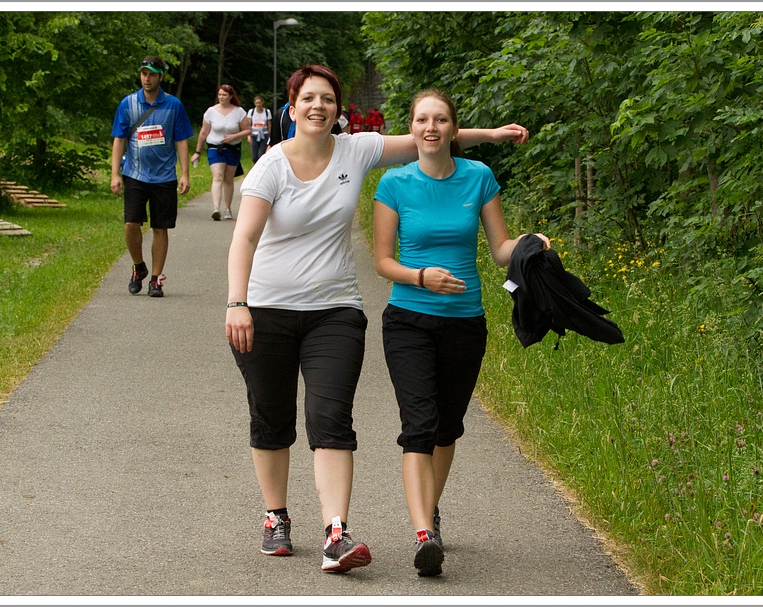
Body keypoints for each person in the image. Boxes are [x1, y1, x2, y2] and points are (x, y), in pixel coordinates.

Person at [224, 65, 530, 574]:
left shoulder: (355, 150)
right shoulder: (270, 168)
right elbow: (246, 238)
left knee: (330, 417)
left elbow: (428, 139)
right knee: (272, 417)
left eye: (327, 99)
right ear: (292, 108)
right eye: (308, 99)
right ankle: (276, 515)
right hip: (268, 309)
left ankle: (336, 532)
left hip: (335, 310)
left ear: (338, 110)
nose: (318, 107)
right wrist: (238, 303)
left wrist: (494, 135)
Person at [372, 88, 550, 577]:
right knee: (418, 426)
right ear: (411, 128)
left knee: (447, 427)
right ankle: (423, 535)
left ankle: (430, 511)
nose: (430, 128)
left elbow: (499, 249)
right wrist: (420, 276)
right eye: (421, 120)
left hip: (465, 323)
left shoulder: (479, 177)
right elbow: (383, 261)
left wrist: (529, 244)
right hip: (408, 320)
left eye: (440, 120)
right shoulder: (394, 182)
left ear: (453, 128)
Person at [111, 55, 193, 298]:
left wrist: (185, 174)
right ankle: (139, 267)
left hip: (164, 177)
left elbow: (181, 141)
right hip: (135, 173)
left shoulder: (174, 105)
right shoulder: (128, 104)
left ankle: (155, 280)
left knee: (160, 227)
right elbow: (119, 139)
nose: (147, 79)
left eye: (152, 74)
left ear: (160, 77)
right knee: (131, 223)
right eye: (143, 74)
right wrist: (114, 174)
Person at [191, 84, 251, 221]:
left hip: (232, 149)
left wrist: (234, 136)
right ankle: (216, 208)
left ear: (230, 96)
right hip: (215, 148)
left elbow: (248, 130)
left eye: (224, 95)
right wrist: (197, 152)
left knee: (228, 179)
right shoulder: (211, 111)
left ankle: (227, 208)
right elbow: (203, 132)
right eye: (219, 95)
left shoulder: (239, 112)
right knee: (217, 176)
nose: (221, 97)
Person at [246, 95, 271, 164]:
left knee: (262, 155)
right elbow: (248, 125)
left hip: (264, 135)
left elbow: (269, 125)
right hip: (254, 135)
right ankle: (255, 166)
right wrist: (248, 136)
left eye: (259, 103)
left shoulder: (267, 112)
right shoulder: (251, 112)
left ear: (262, 103)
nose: (258, 105)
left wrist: (269, 136)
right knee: (254, 156)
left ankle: (261, 166)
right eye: (257, 103)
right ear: (254, 103)